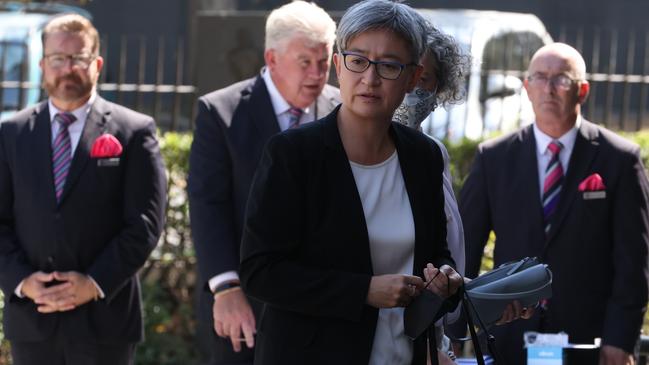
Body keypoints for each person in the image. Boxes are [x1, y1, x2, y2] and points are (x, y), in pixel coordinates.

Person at [239, 1, 463, 364]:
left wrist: (444, 278)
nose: (370, 79)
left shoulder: (423, 157)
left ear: (412, 77)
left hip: (402, 354)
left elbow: (436, 252)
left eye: (389, 66)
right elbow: (260, 272)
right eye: (358, 60)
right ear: (338, 65)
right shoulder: (293, 154)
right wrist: (364, 291)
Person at [460, 42, 649, 365]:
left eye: (561, 79)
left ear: (582, 90)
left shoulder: (619, 160)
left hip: (589, 342)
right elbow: (465, 251)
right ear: (527, 87)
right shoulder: (494, 158)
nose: (549, 89)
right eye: (540, 78)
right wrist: (459, 322)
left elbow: (634, 262)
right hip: (507, 337)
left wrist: (620, 340)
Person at [0, 14, 167, 365]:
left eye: (79, 58)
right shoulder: (11, 134)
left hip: (104, 320)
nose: (68, 68)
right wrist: (22, 281)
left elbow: (145, 224)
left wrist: (93, 283)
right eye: (58, 59)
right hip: (33, 319)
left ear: (98, 64)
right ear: (43, 65)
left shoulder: (133, 132)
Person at [187, 2, 339, 364]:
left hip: (327, 305)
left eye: (324, 62)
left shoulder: (343, 111)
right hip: (246, 306)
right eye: (305, 62)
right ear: (272, 59)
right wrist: (226, 289)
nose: (317, 74)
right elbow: (208, 206)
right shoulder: (221, 113)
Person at [395, 24, 532, 365]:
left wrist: (483, 302)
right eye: (403, 71)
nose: (412, 88)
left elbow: (439, 267)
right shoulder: (356, 154)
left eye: (424, 80)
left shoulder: (432, 154)